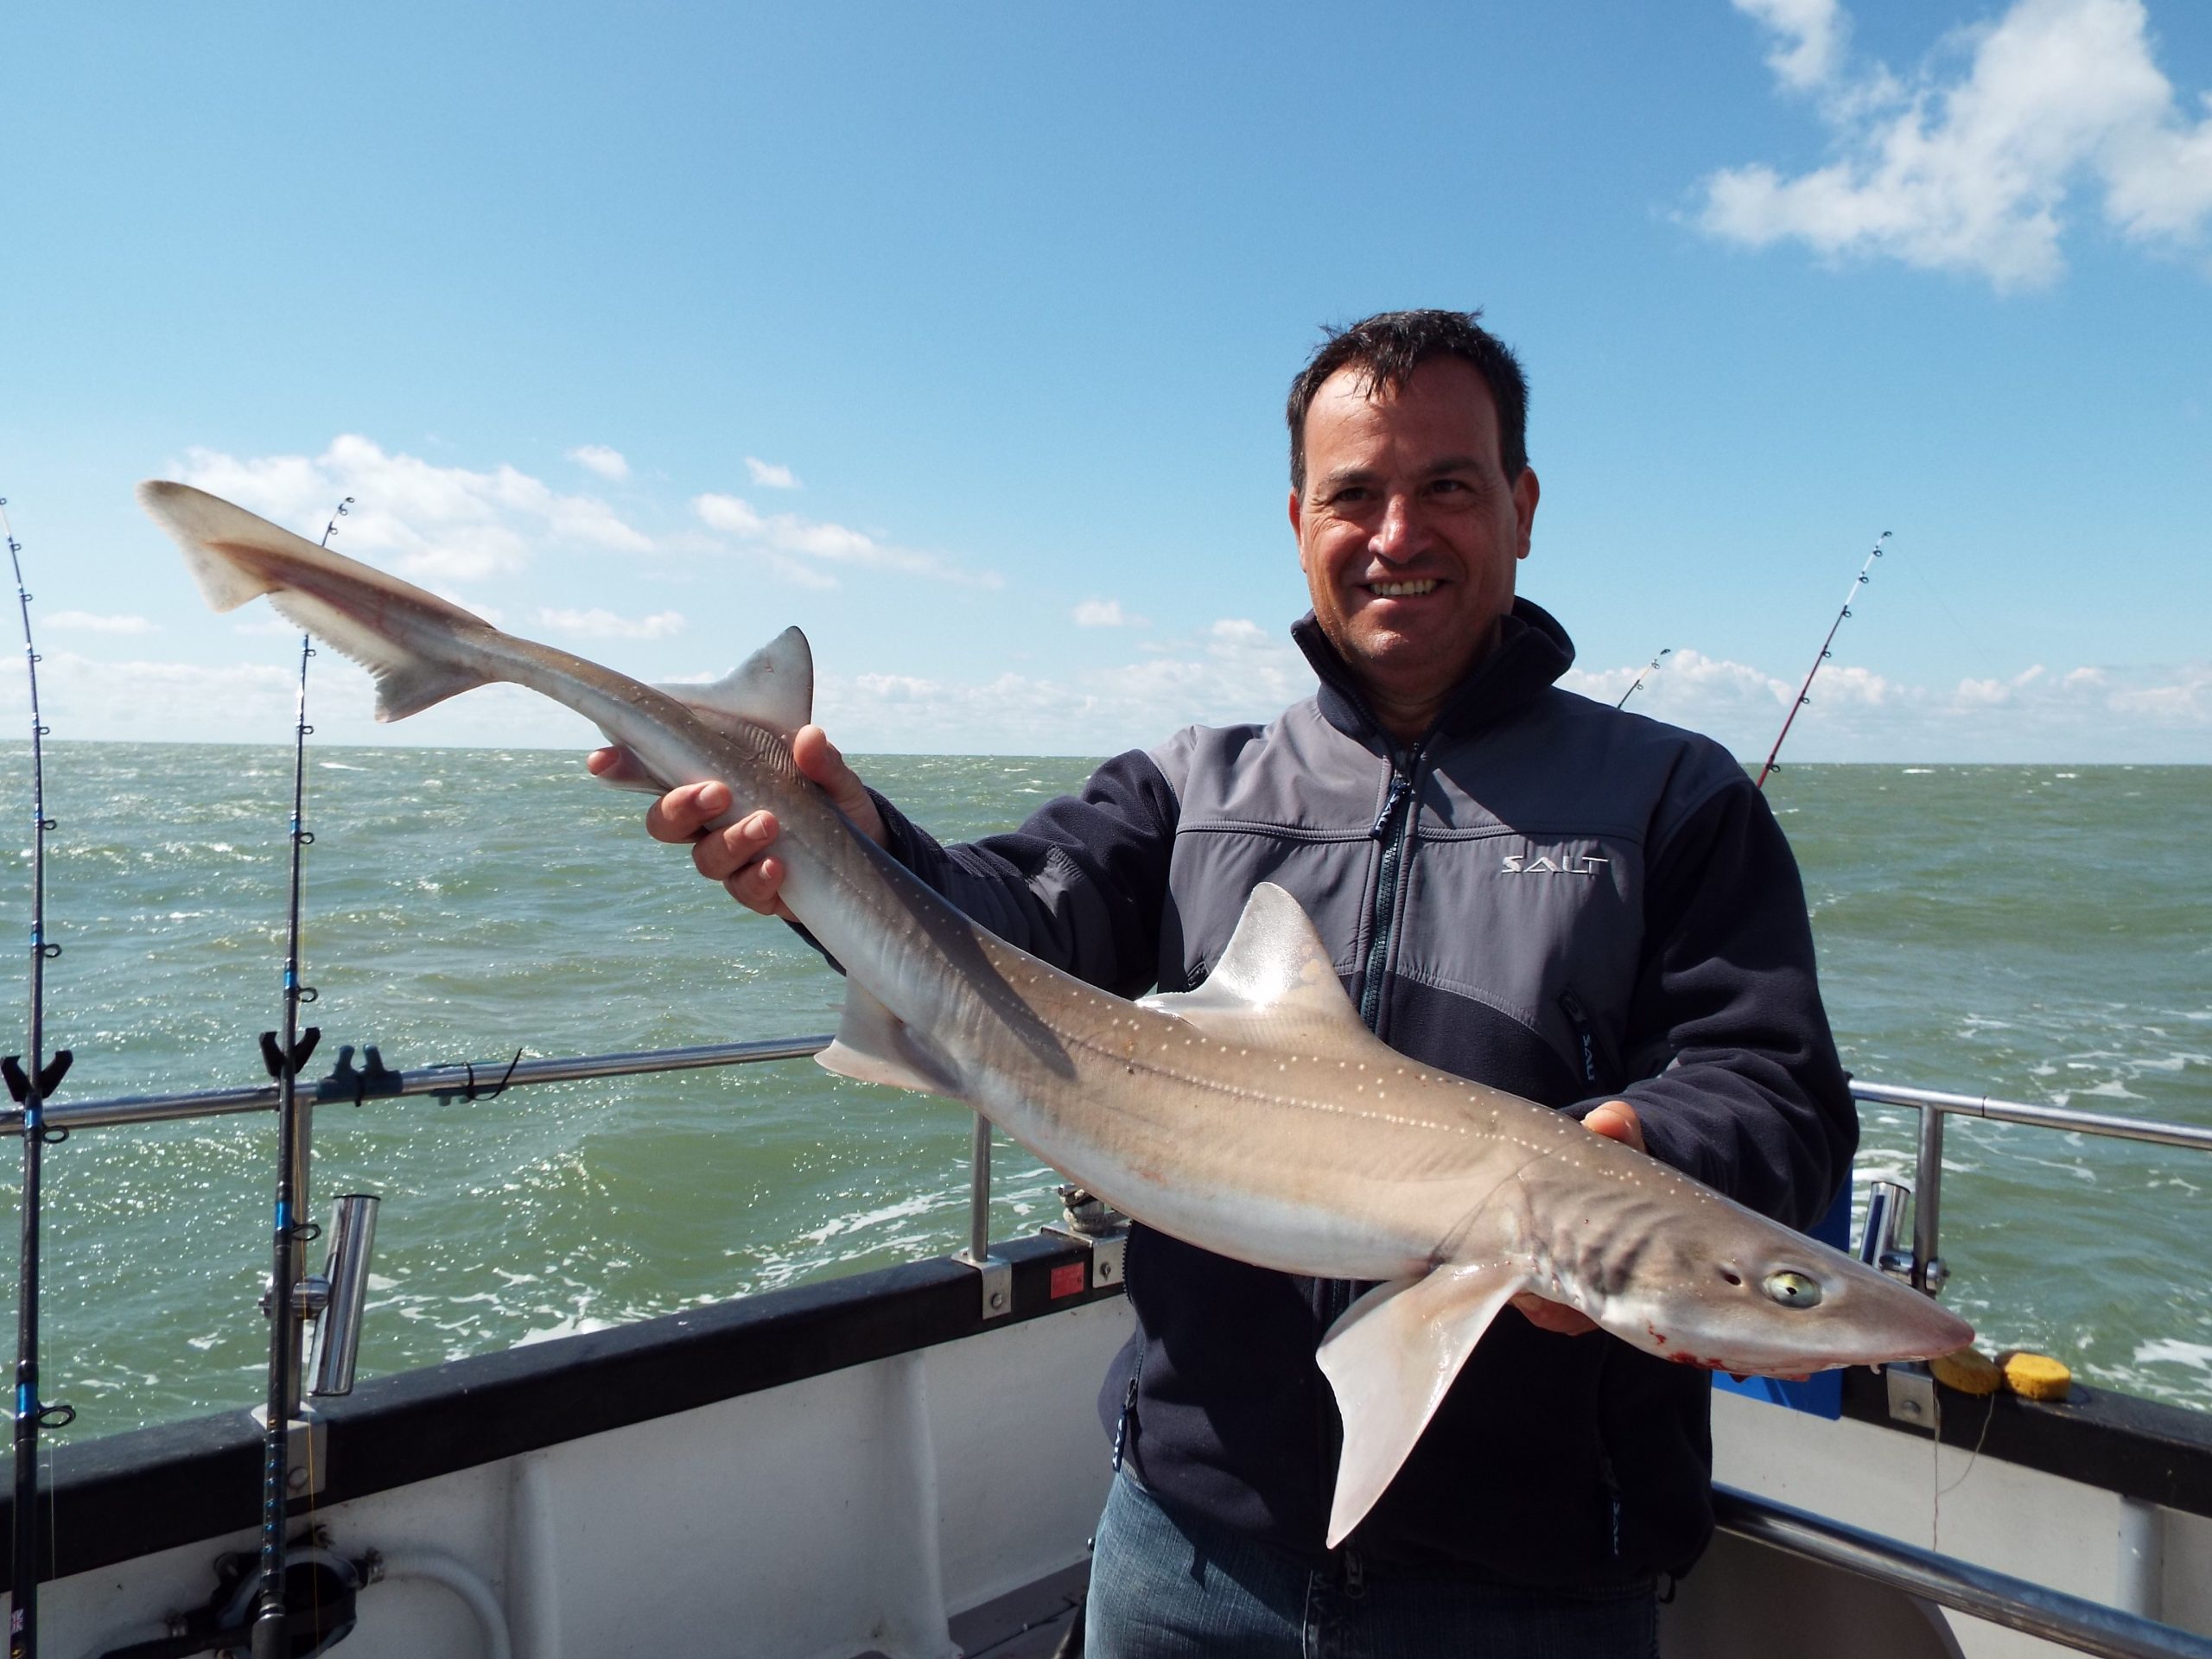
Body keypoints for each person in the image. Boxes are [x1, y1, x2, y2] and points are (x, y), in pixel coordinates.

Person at [598, 309, 1855, 1656]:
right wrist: (849, 847)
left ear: (1523, 506)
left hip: (1530, 1578)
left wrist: (1640, 1158)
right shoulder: (1194, 789)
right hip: (1185, 1545)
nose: (1397, 536)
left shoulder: (1673, 798)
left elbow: (1774, 1087)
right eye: (1355, 494)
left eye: (1447, 487)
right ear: (1299, 517)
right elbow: (1004, 927)